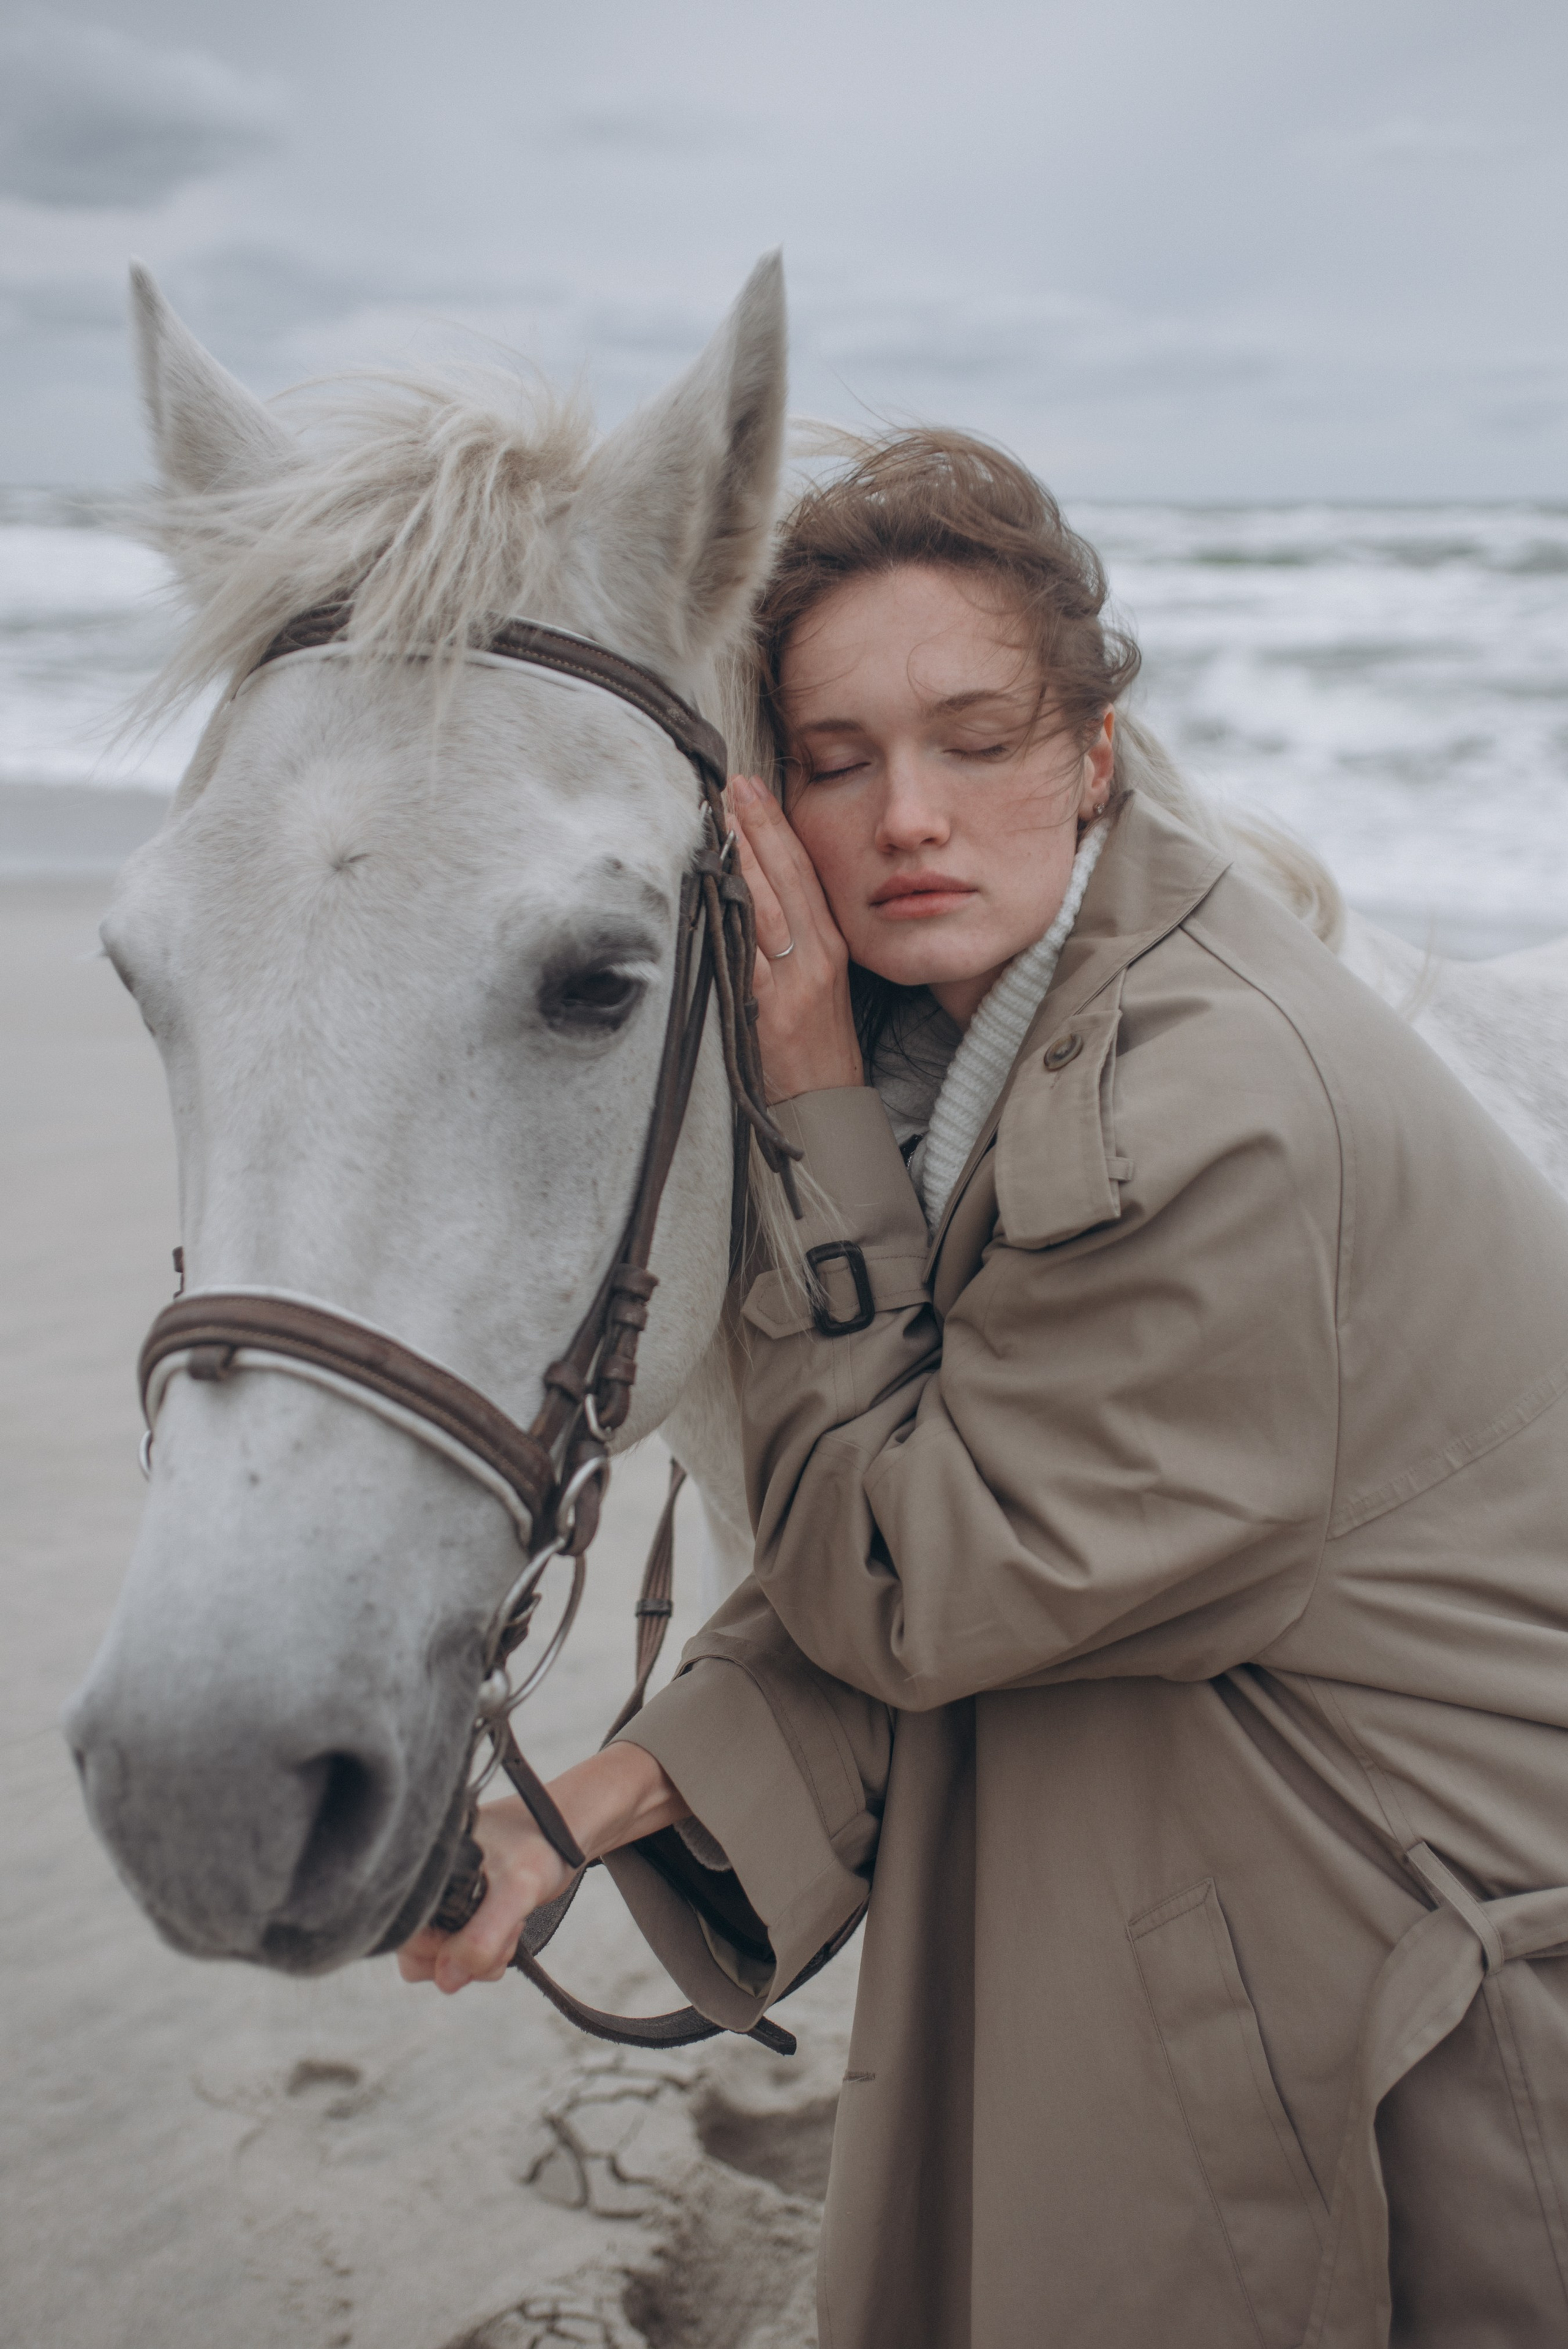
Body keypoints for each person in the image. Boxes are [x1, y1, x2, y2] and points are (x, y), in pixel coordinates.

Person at [400, 434, 1568, 2349]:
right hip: (1241, 1812)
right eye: (837, 759)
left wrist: (808, 1108)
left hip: (1428, 1982)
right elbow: (994, 1506)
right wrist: (570, 1813)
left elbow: (922, 1583)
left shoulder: (1208, 1111)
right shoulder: (1004, 1042)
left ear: (1093, 756)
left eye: (977, 740)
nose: (907, 818)